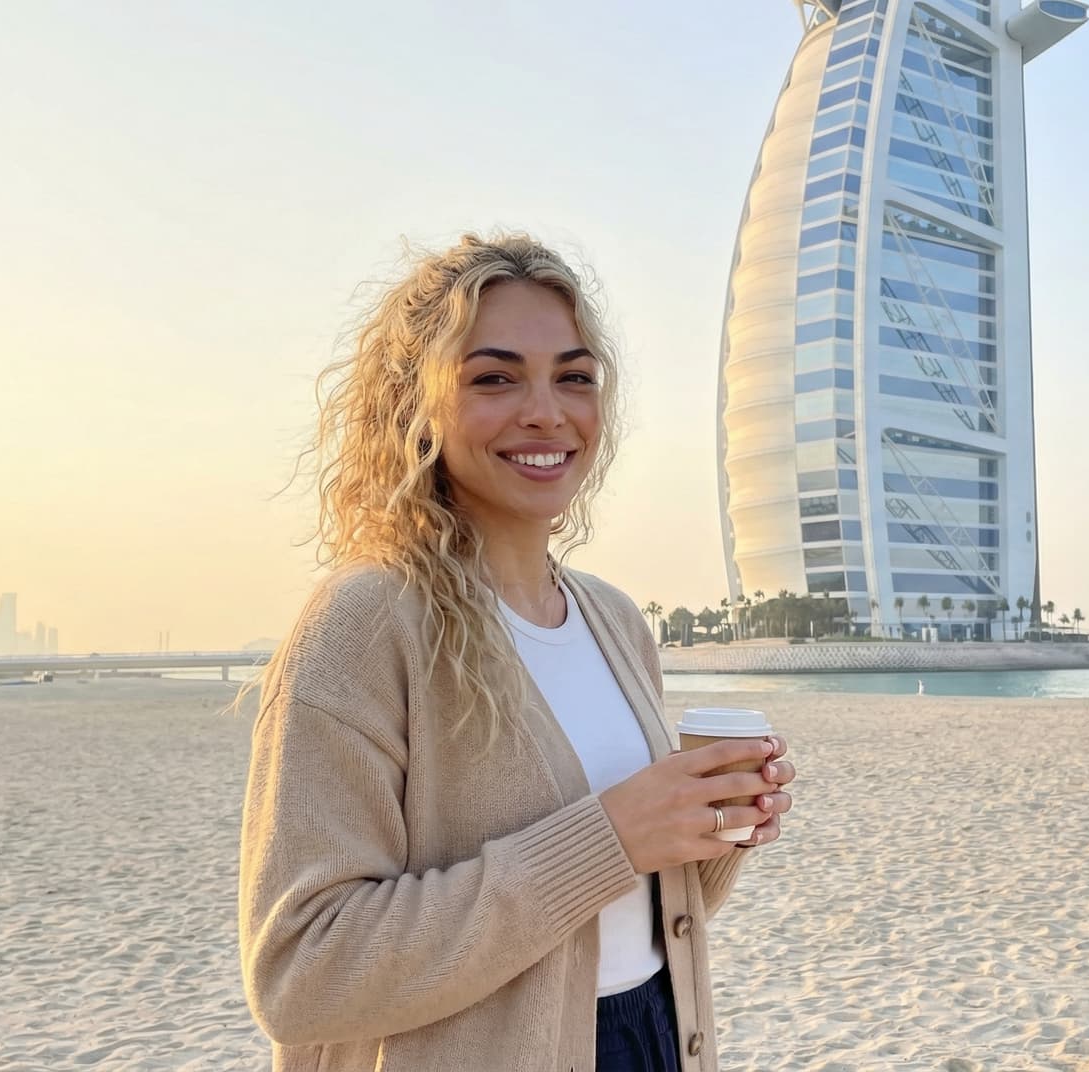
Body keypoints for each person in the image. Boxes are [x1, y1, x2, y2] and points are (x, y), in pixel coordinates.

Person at [237, 233, 797, 1071]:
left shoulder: (613, 618)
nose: (546, 411)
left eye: (574, 377)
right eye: (495, 377)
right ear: (416, 405)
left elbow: (629, 912)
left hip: (651, 1038)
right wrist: (610, 835)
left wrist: (710, 830)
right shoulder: (365, 622)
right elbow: (302, 974)